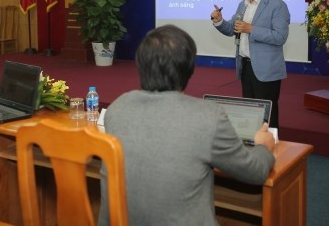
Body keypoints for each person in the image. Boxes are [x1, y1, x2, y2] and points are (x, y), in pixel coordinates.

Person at [98, 25, 275, 226]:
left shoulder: (119, 107)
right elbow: (254, 172)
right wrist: (263, 145)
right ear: (189, 69)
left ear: (140, 65)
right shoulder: (208, 116)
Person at [210, 0, 290, 128]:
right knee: (250, 112)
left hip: (267, 70)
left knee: (267, 114)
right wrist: (218, 21)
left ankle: (270, 148)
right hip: (246, 66)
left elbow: (280, 37)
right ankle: (253, 146)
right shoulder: (243, 4)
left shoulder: (277, 5)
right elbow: (233, 28)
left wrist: (251, 29)